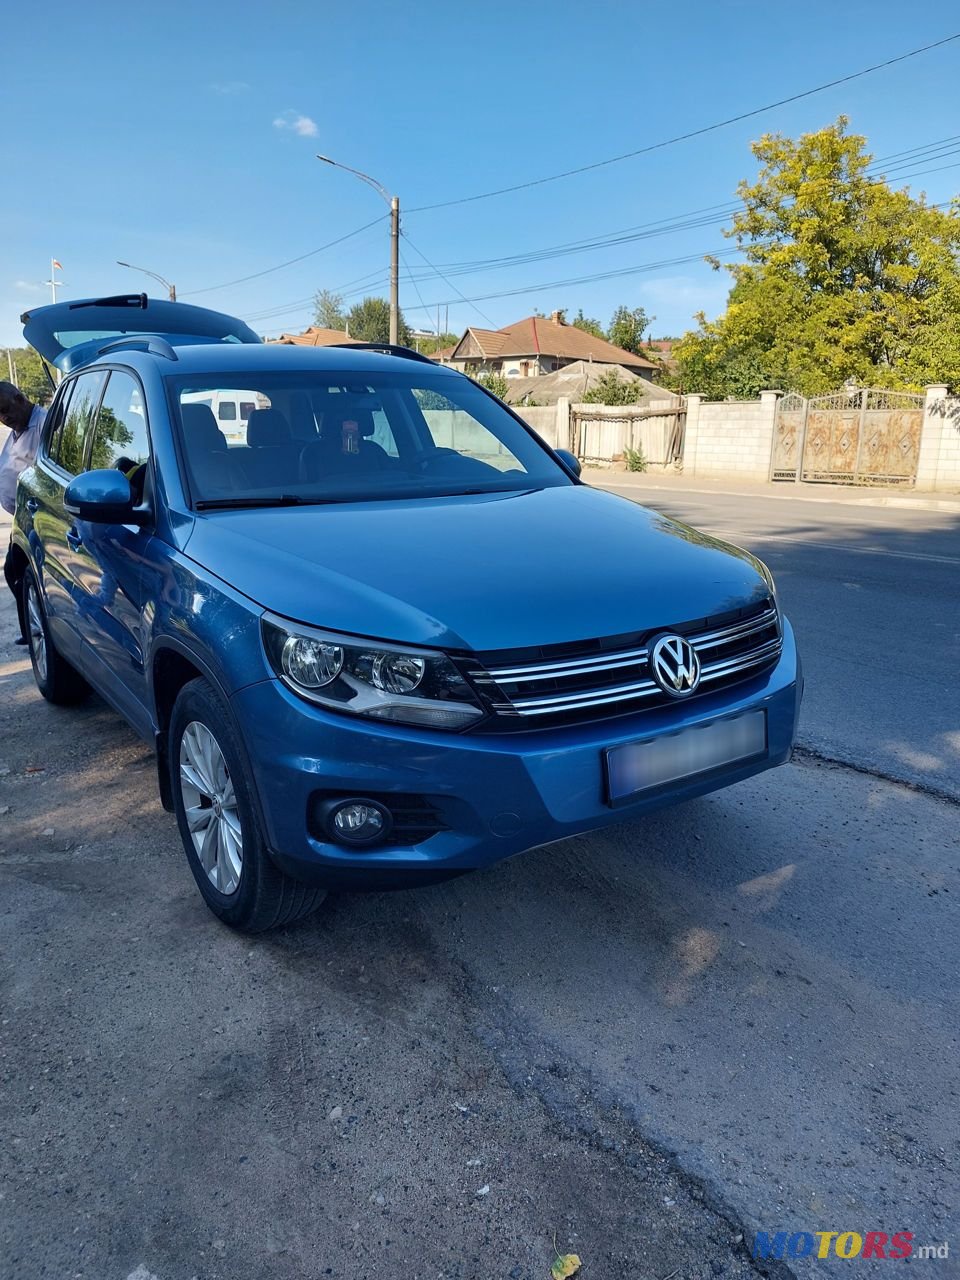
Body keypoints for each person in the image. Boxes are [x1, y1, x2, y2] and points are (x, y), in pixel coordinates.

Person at [0, 382, 47, 644]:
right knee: (14, 571)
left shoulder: (43, 423)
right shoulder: (18, 428)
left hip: (36, 515)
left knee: (18, 570)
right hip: (21, 516)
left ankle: (35, 629)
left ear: (19, 398)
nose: (4, 418)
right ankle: (30, 628)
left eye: (5, 410)